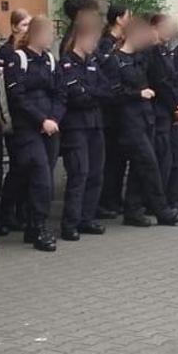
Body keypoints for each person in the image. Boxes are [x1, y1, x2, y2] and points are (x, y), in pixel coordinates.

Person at [105, 17, 178, 227]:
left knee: (141, 166)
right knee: (149, 164)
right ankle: (162, 209)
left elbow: (162, 76)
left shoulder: (142, 57)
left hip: (146, 117)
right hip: (128, 121)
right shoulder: (115, 60)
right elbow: (113, 93)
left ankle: (133, 208)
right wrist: (137, 94)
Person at [4, 17, 65, 252]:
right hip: (28, 128)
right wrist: (41, 120)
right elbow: (17, 96)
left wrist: (54, 118)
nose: (51, 39)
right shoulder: (17, 59)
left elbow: (60, 92)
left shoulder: (50, 60)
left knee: (45, 177)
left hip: (50, 127)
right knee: (39, 175)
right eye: (48, 34)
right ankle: (38, 226)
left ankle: (32, 224)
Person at [57, 15, 110, 240]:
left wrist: (90, 92)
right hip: (76, 127)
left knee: (96, 173)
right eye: (93, 39)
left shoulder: (91, 63)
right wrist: (91, 93)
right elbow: (75, 96)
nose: (95, 45)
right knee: (80, 173)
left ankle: (87, 218)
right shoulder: (67, 63)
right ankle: (70, 223)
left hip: (95, 124)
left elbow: (107, 91)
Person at [0, 9, 34, 235]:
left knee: (29, 169)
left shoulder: (29, 51)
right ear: (15, 27)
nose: (28, 29)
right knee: (18, 168)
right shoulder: (7, 52)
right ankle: (7, 211)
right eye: (25, 25)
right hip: (14, 120)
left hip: (31, 120)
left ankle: (22, 211)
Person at [147, 13, 178, 213]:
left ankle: (173, 198)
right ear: (154, 27)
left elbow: (175, 81)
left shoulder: (166, 51)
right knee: (163, 159)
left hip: (173, 111)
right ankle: (159, 202)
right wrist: (175, 105)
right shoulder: (150, 52)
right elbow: (160, 83)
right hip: (160, 112)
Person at [96, 4, 133, 217]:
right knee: (109, 159)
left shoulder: (122, 42)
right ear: (119, 19)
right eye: (128, 15)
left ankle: (116, 197)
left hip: (121, 110)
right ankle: (107, 200)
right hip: (108, 111)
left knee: (119, 158)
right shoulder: (106, 44)